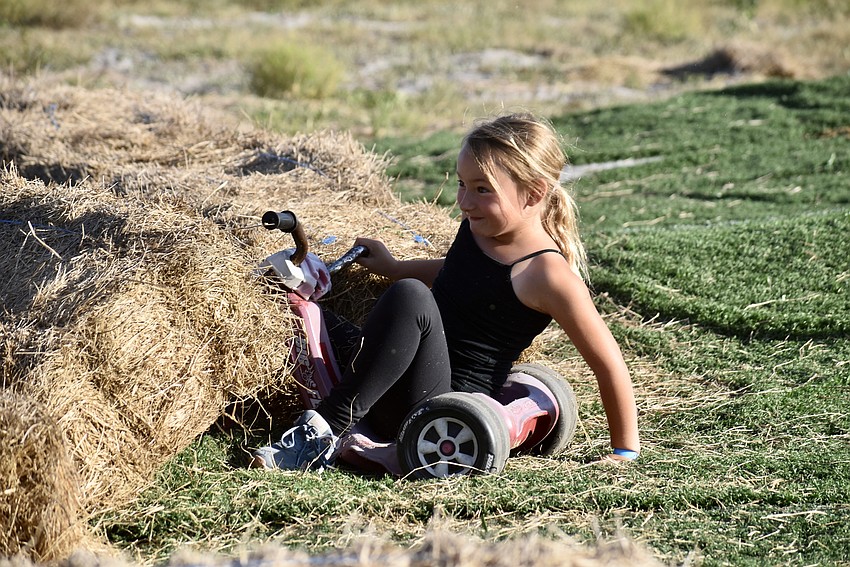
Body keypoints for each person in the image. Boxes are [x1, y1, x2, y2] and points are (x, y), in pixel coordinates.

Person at [251, 112, 640, 472]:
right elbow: (459, 273)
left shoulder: (547, 275)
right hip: (398, 373)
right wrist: (395, 267)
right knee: (297, 311)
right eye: (461, 184)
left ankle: (321, 434)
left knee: (410, 297)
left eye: (482, 189)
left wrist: (623, 451)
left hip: (436, 403)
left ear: (534, 193)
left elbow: (609, 364)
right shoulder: (479, 228)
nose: (464, 201)